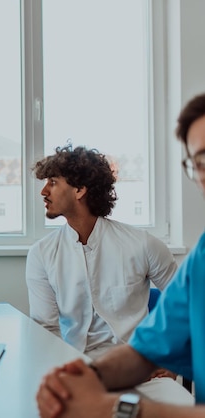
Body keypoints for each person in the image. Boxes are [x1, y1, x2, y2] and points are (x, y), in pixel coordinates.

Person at [36, 92, 205, 418]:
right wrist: (85, 378)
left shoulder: (140, 244)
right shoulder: (200, 260)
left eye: (53, 182)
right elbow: (148, 350)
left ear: (80, 190)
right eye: (198, 162)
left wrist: (118, 409)